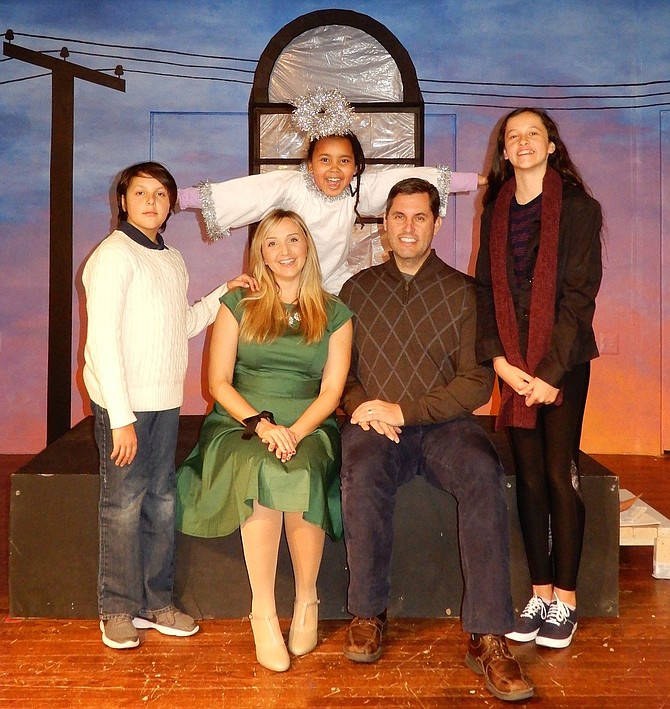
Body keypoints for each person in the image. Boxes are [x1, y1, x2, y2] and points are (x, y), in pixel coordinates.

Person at [338, 178, 534, 703]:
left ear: (437, 224)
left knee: (481, 472)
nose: (407, 227)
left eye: (419, 217)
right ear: (384, 226)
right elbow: (341, 372)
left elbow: (475, 382)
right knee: (360, 468)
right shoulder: (356, 291)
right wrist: (362, 407)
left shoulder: (466, 293)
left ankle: (489, 635)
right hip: (378, 425)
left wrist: (409, 409)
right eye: (398, 216)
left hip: (444, 426)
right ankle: (367, 612)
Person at [82, 161, 257, 650]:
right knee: (122, 506)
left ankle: (156, 604)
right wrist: (120, 418)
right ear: (123, 200)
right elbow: (102, 346)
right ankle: (117, 608)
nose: (152, 201)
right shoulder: (113, 257)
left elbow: (180, 324)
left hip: (164, 404)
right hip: (125, 409)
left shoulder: (172, 259)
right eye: (141, 192)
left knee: (161, 502)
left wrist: (225, 291)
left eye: (161, 193)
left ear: (172, 203)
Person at [175, 209, 353, 673]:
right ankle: (263, 611)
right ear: (260, 253)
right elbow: (218, 382)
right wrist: (263, 426)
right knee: (264, 465)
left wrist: (294, 431)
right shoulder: (238, 304)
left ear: (307, 246)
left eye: (293, 239)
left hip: (309, 422)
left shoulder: (336, 312)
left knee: (302, 465)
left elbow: (332, 391)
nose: (284, 251)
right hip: (241, 421)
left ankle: (308, 597)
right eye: (272, 243)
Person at [475, 108, 603, 650]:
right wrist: (500, 362)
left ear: (551, 145)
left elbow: (579, 297)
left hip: (563, 367)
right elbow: (485, 290)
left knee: (557, 474)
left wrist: (549, 373)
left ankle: (567, 601)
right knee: (526, 479)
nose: (523, 142)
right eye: (513, 136)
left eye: (534, 134)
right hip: (513, 365)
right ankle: (540, 592)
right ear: (504, 152)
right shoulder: (495, 209)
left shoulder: (579, 210)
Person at [177, 87, 485, 294]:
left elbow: (408, 179)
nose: (334, 170)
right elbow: (248, 193)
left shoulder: (356, 190)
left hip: (333, 282)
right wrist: (180, 198)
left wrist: (473, 181)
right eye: (325, 160)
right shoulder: (291, 186)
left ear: (355, 167)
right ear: (310, 165)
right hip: (286, 280)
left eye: (344, 161)